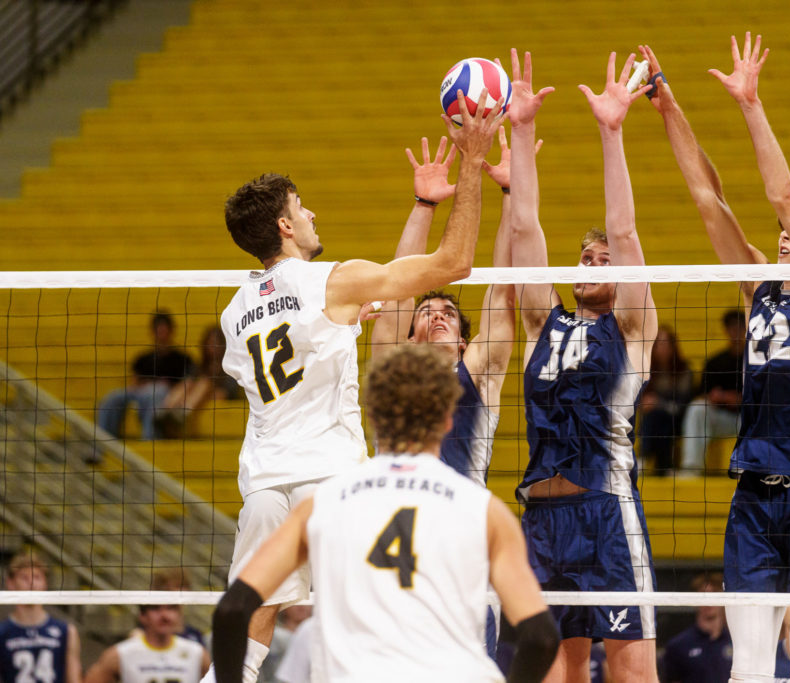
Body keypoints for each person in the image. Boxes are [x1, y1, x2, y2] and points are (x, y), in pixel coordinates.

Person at [209, 90, 504, 683]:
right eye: (302, 207)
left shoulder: (236, 311)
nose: (313, 214)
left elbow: (288, 350)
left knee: (255, 620)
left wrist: (343, 326)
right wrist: (472, 162)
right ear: (285, 225)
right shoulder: (331, 281)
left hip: (264, 481)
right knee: (378, 619)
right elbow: (454, 264)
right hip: (331, 478)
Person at [644, 34, 790, 682]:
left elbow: (782, 198)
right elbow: (708, 197)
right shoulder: (759, 287)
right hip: (754, 495)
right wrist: (668, 107)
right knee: (749, 666)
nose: (782, 239)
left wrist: (750, 103)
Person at [210, 344, 560, 683]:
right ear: (447, 419)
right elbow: (540, 637)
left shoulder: (322, 505)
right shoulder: (485, 511)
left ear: (373, 415)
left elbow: (232, 611)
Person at [508, 47, 659, 681]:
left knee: (629, 675)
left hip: (604, 510)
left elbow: (624, 233)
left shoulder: (632, 326)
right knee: (551, 673)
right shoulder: (544, 321)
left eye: (602, 259)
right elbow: (523, 230)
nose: (593, 264)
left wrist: (611, 132)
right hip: (541, 519)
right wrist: (520, 131)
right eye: (584, 258)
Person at [369, 130, 519, 486]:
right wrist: (425, 204)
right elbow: (398, 288)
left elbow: (502, 292)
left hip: (460, 518)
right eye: (427, 312)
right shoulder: (394, 364)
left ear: (464, 344)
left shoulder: (479, 373)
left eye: (449, 314)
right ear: (408, 340)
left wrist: (513, 193)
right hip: (392, 512)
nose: (438, 315)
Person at [0, 551, 82, 683]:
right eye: (24, 578)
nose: (32, 583)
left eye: (37, 577)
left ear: (45, 583)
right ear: (10, 584)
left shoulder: (66, 632)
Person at [96, 311, 194, 440]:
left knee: (155, 392)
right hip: (141, 393)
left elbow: (186, 384)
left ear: (171, 331)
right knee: (113, 397)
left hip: (164, 395)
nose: (162, 335)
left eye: (165, 330)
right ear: (153, 332)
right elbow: (134, 384)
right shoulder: (143, 358)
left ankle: (149, 440)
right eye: (159, 330)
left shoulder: (183, 359)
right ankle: (102, 443)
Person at [679, 310, 745, 473]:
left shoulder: (759, 361)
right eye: (732, 327)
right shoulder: (716, 362)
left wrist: (739, 399)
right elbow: (702, 394)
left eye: (740, 327)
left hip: (752, 421)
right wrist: (719, 398)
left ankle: (759, 471)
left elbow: (767, 397)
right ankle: (691, 468)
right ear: (726, 330)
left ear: (747, 328)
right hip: (724, 419)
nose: (735, 331)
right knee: (697, 409)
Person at [84, 604, 209, 683]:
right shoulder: (120, 653)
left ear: (179, 614)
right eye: (155, 608)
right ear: (142, 616)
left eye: (171, 608)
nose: (164, 615)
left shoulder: (197, 653)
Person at [155, 326, 241, 438]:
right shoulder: (199, 367)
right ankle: (165, 410)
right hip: (194, 399)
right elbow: (188, 383)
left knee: (204, 383)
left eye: (216, 343)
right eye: (210, 343)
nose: (212, 347)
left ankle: (182, 413)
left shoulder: (229, 367)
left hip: (217, 397)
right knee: (189, 383)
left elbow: (227, 392)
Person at [638, 325, 694, 475]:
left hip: (680, 418)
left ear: (673, 346)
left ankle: (644, 457)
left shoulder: (684, 371)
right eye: (659, 344)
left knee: (659, 417)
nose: (662, 348)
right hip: (657, 418)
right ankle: (664, 466)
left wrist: (658, 403)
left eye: (666, 343)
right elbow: (641, 401)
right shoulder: (646, 371)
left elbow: (682, 405)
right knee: (656, 417)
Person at [661, 573, 732, 683]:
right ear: (694, 600)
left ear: (722, 599)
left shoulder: (736, 643)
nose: (709, 601)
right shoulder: (678, 646)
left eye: (714, 594)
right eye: (704, 596)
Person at [259, 605, 311, 683]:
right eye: (296, 603)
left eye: (306, 602)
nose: (301, 606)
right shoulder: (271, 636)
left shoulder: (320, 638)